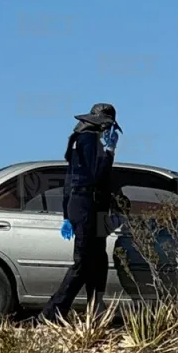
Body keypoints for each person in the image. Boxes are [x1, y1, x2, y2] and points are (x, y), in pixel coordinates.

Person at [40, 103, 121, 323]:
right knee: (84, 261)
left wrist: (67, 214)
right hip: (88, 205)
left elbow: (70, 181)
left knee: (98, 259)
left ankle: (96, 309)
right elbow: (95, 175)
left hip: (91, 206)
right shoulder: (89, 140)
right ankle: (52, 314)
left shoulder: (80, 140)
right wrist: (110, 152)